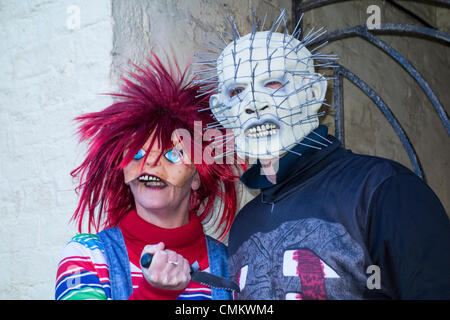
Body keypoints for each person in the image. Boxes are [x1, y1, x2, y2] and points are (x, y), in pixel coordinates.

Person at [197, 10, 450, 299]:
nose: (254, 104)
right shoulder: (244, 224)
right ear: (220, 110)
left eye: (273, 83)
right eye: (236, 91)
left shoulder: (384, 190)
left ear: (315, 93)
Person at [55, 53, 240, 300]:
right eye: (137, 153)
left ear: (197, 175)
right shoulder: (87, 256)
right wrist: (154, 294)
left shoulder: (232, 266)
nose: (150, 164)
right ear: (123, 173)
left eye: (173, 154)